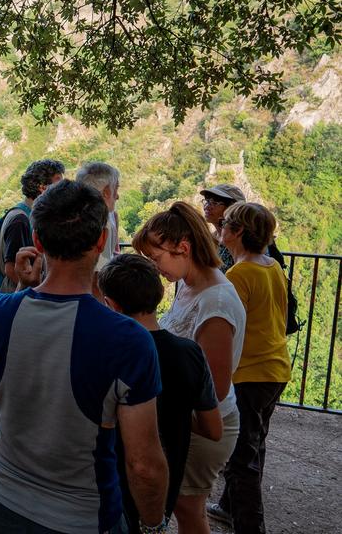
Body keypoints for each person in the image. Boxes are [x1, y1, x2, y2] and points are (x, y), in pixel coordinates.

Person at [0, 180, 168, 534]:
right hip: (83, 518)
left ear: (37, 241)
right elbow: (143, 464)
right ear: (100, 242)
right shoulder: (128, 340)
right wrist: (154, 525)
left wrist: (22, 286)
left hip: (2, 502)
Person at [133, 201, 246, 534]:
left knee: (187, 506)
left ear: (182, 248)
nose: (155, 268)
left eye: (155, 258)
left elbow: (216, 387)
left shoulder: (216, 303)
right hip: (190, 422)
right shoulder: (188, 284)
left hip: (206, 425)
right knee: (186, 505)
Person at [98, 253, 223, 533]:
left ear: (111, 305)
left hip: (110, 487)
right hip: (164, 489)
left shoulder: (107, 353)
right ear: (159, 295)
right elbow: (214, 428)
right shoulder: (190, 354)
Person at [209, 203, 292, 534]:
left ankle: (249, 527)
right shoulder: (271, 266)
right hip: (275, 369)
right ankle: (230, 505)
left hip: (250, 373)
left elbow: (229, 329)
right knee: (253, 443)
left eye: (226, 223)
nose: (220, 227)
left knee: (242, 457)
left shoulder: (240, 274)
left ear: (238, 232)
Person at [0, 159, 65, 292]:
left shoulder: (22, 214)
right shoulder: (20, 220)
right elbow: (10, 268)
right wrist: (36, 291)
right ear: (43, 187)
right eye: (58, 182)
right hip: (18, 296)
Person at [76, 161, 121, 299]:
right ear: (106, 192)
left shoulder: (111, 216)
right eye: (116, 189)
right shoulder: (102, 222)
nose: (117, 196)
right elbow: (97, 276)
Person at [200, 184, 246, 272]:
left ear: (232, 209)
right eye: (207, 201)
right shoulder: (211, 238)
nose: (207, 207)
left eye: (215, 203)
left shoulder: (241, 243)